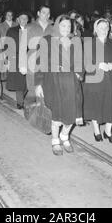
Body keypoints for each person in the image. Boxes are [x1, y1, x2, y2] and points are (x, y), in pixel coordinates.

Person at [35, 15, 84, 156]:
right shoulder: (47, 41)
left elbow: (80, 61)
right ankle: (55, 140)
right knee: (57, 113)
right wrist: (38, 84)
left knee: (72, 112)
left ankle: (64, 135)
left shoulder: (75, 41)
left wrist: (79, 73)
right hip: (53, 81)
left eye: (69, 26)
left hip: (71, 82)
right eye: (63, 26)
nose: (66, 29)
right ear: (57, 26)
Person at [84, 19, 112, 143]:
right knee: (95, 105)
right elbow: (83, 63)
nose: (104, 29)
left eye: (106, 27)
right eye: (101, 27)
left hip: (111, 81)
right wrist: (97, 65)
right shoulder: (88, 44)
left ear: (108, 29)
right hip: (94, 81)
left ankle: (108, 131)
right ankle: (96, 130)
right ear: (95, 30)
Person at [20, 5, 54, 108]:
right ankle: (28, 108)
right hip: (32, 62)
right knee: (32, 89)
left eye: (48, 13)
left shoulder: (53, 27)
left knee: (46, 90)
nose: (46, 15)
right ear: (38, 13)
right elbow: (22, 47)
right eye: (43, 13)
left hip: (49, 63)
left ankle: (43, 114)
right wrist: (22, 65)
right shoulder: (29, 27)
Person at [5, 12, 29, 109]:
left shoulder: (30, 30)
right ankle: (20, 102)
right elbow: (7, 45)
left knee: (28, 81)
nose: (23, 20)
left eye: (25, 18)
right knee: (19, 81)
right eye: (21, 18)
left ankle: (22, 97)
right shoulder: (12, 30)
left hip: (28, 57)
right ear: (18, 20)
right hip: (16, 58)